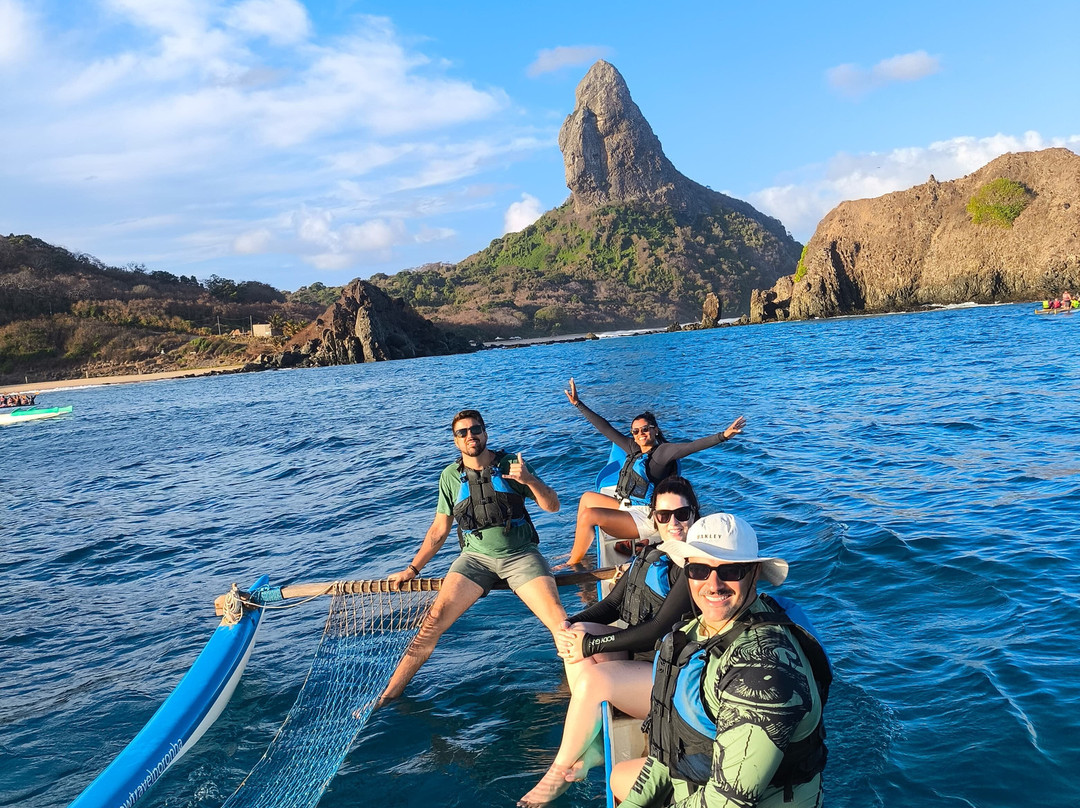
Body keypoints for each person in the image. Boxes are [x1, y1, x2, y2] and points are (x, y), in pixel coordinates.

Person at [611, 513, 830, 808]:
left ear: (754, 573)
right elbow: (667, 750)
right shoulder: (692, 633)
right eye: (700, 569)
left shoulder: (763, 670)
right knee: (620, 778)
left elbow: (727, 801)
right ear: (686, 572)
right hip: (696, 789)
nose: (713, 584)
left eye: (731, 571)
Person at [517, 477, 699, 807]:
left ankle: (558, 773)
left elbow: (658, 628)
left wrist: (592, 646)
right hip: (639, 665)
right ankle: (597, 746)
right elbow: (614, 604)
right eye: (663, 515)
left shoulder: (694, 569)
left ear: (694, 514)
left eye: (682, 514)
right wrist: (569, 625)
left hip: (668, 680)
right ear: (653, 517)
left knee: (594, 676)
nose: (673, 523)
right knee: (578, 632)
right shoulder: (652, 554)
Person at [381, 409, 567, 702]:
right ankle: (389, 694)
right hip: (475, 559)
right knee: (433, 620)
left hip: (520, 555)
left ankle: (574, 687)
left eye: (475, 429)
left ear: (485, 432)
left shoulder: (511, 465)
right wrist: (412, 570)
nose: (471, 436)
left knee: (559, 621)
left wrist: (530, 480)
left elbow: (553, 506)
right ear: (455, 440)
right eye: (462, 432)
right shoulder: (450, 477)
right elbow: (438, 531)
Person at [563, 378, 746, 565]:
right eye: (635, 431)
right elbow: (605, 428)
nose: (640, 434)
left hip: (645, 517)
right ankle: (577, 550)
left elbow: (691, 447)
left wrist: (723, 436)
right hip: (628, 506)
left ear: (655, 430)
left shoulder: (662, 453)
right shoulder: (633, 448)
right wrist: (578, 404)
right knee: (587, 498)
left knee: (589, 515)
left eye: (645, 429)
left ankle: (573, 564)